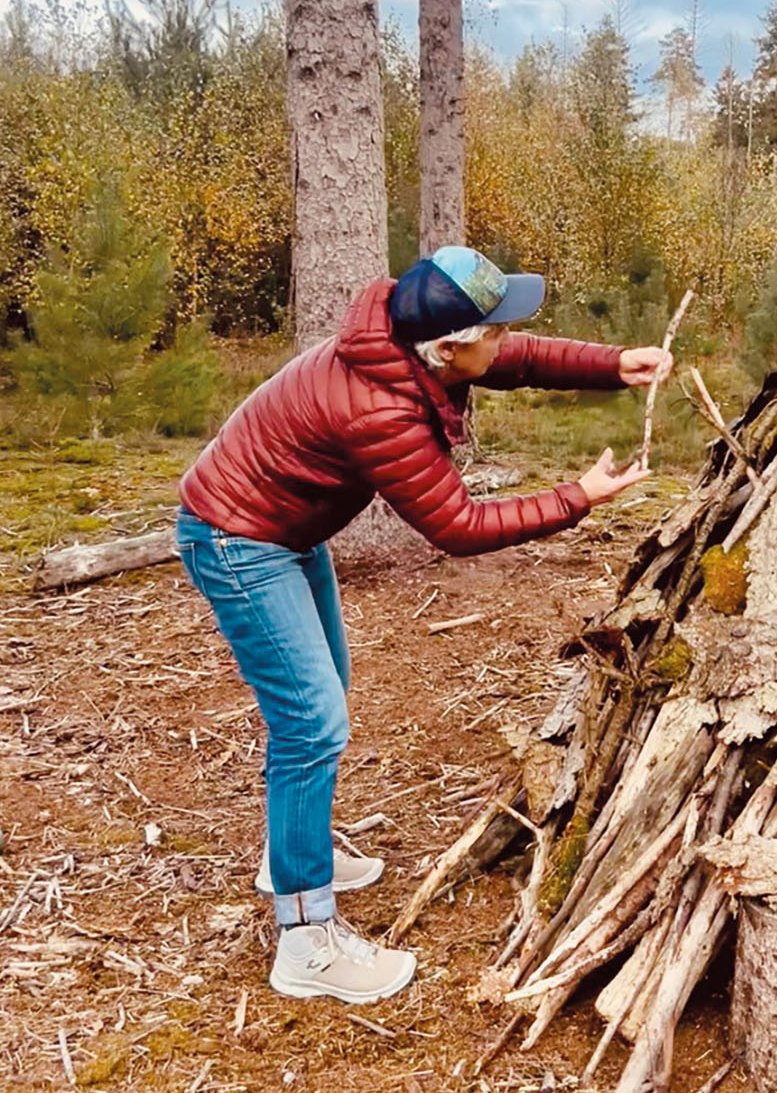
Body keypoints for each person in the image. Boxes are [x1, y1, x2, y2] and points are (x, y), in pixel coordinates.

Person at [175, 246, 671, 1004]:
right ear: (447, 345)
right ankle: (306, 939)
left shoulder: (404, 347)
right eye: (492, 330)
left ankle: (292, 852)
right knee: (312, 722)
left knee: (320, 700)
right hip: (240, 540)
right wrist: (580, 495)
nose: (504, 341)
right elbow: (459, 526)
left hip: (276, 531)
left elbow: (515, 358)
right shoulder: (379, 408)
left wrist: (614, 364)